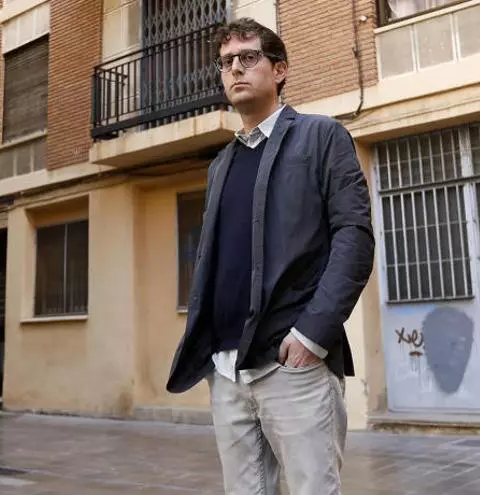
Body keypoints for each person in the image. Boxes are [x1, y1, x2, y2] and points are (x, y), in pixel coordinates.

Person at [166, 17, 375, 495]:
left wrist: (312, 336)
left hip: (293, 366)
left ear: (279, 70)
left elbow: (355, 238)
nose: (235, 69)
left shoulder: (322, 137)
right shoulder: (221, 165)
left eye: (248, 57)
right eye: (226, 62)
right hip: (227, 370)